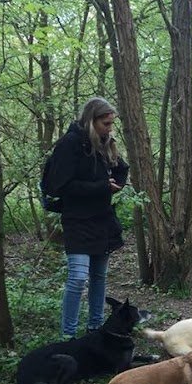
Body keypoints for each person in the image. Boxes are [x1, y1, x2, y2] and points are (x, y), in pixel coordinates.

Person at [44, 97, 129, 339]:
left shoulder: (104, 143)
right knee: (78, 278)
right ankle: (68, 336)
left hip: (102, 219)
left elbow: (122, 168)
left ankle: (95, 327)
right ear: (91, 121)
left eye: (112, 123)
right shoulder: (69, 144)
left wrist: (116, 184)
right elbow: (61, 186)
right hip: (77, 220)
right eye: (105, 123)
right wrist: (102, 187)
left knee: (99, 276)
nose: (109, 128)